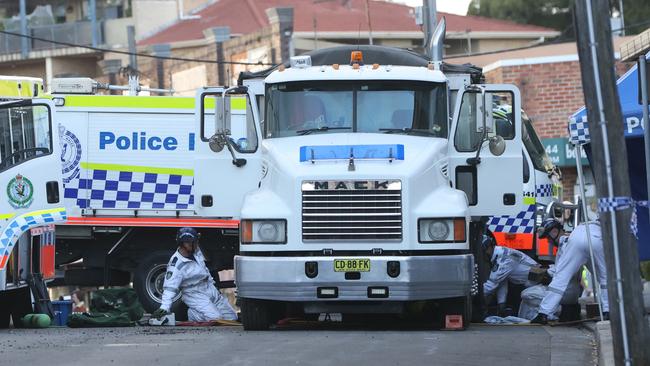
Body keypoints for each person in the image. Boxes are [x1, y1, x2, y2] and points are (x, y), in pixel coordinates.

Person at [531, 218, 609, 324]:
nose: (549, 241)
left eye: (548, 238)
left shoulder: (567, 241)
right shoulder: (611, 222)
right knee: (605, 277)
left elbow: (559, 271)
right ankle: (607, 311)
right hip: (596, 238)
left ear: (554, 231)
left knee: (560, 278)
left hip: (577, 238)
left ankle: (543, 314)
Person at [153, 227, 237, 322]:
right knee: (216, 319)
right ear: (185, 243)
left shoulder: (196, 251)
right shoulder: (176, 265)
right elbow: (169, 288)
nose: (197, 244)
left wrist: (212, 284)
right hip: (194, 293)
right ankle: (193, 314)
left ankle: (204, 311)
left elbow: (204, 269)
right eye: (195, 242)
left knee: (232, 318)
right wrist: (164, 308)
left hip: (208, 288)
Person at [482, 235, 540, 316]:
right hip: (529, 285)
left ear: (489, 247)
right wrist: (501, 304)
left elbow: (490, 285)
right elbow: (501, 281)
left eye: (483, 251)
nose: (482, 255)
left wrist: (473, 297)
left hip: (537, 286)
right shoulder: (500, 253)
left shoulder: (503, 260)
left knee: (526, 316)